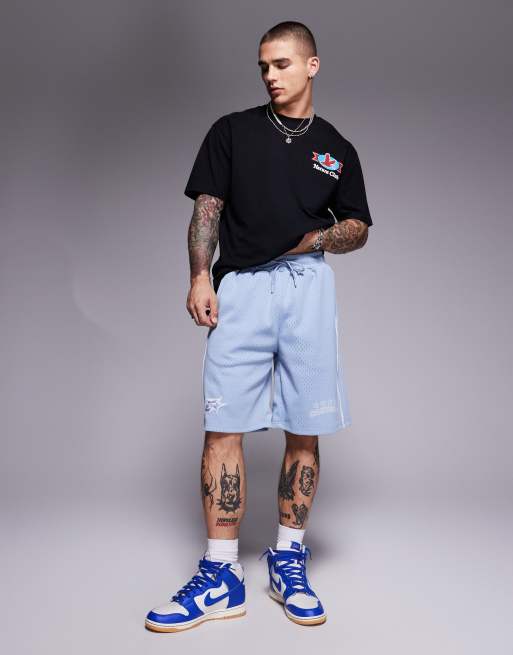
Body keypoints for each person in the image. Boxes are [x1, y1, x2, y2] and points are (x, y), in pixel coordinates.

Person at [145, 20, 372, 633]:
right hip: (240, 287)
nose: (270, 76)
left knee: (306, 425)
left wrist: (313, 240)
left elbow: (358, 226)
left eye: (282, 64)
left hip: (307, 286)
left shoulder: (337, 149)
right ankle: (221, 572)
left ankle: (288, 557)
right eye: (263, 67)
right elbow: (206, 211)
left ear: (312, 65)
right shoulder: (232, 131)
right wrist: (200, 276)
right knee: (223, 425)